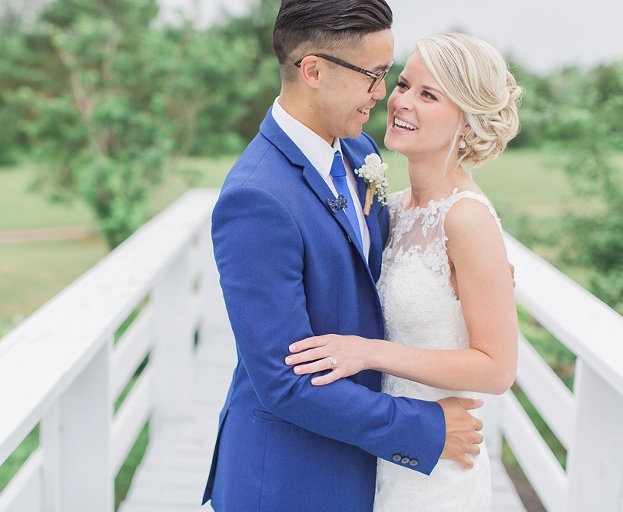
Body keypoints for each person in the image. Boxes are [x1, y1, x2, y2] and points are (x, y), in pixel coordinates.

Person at [202, 2, 485, 510]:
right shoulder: (255, 198)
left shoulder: (358, 153)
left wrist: (474, 262)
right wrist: (428, 425)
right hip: (291, 477)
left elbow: (381, 260)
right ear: (313, 70)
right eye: (374, 75)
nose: (384, 94)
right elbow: (285, 381)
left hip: (363, 460)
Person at [285, 32, 522, 510]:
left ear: (467, 119)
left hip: (438, 468)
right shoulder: (391, 208)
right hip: (382, 451)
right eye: (404, 84)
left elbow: (497, 369)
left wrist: (368, 353)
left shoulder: (467, 218)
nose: (401, 101)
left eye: (428, 95)